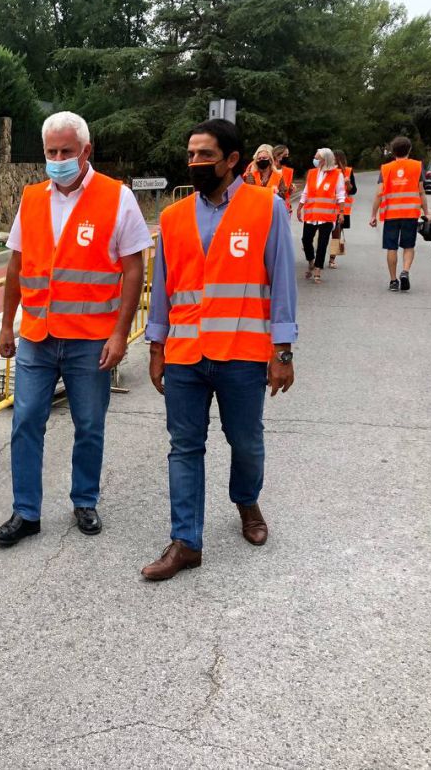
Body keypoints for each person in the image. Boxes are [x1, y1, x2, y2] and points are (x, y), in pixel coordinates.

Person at [142, 118, 297, 581]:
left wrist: (282, 352)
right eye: (190, 155)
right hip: (186, 354)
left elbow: (283, 283)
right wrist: (156, 346)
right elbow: (164, 288)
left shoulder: (267, 209)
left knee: (245, 442)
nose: (195, 163)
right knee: (184, 446)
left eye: (205, 155)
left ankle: (246, 501)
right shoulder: (172, 217)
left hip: (243, 354)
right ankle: (185, 542)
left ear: (232, 160)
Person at [0, 111, 151, 546]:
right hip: (38, 337)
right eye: (51, 152)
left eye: (66, 151)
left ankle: (85, 499)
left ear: (86, 151)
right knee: (25, 421)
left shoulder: (116, 197)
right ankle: (26, 512)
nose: (58, 159)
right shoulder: (33, 198)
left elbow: (133, 267)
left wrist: (120, 334)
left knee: (89, 424)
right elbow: (17, 266)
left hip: (90, 339)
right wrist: (8, 324)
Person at [369, 135, 429, 292]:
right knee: (409, 246)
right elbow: (421, 192)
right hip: (410, 213)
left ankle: (393, 280)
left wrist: (373, 215)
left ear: (393, 151)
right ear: (409, 149)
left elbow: (379, 194)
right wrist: (427, 213)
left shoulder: (386, 169)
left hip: (391, 214)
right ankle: (405, 271)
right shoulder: (417, 166)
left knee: (391, 247)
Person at [297, 148, 345, 284]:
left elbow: (341, 194)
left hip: (327, 216)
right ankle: (311, 260)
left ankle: (317, 269)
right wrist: (299, 207)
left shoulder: (337, 174)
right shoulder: (312, 173)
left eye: (317, 158)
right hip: (311, 214)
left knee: (323, 243)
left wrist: (341, 212)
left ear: (325, 160)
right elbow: (306, 192)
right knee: (306, 240)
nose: (315, 160)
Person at [328, 149, 357, 269]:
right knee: (322, 234)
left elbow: (353, 190)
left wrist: (348, 184)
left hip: (341, 209)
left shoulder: (348, 171)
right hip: (326, 208)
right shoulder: (327, 171)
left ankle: (332, 259)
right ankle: (317, 257)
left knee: (336, 235)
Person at [272, 145, 295, 215]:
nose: (287, 157)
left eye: (288, 154)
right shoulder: (268, 169)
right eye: (285, 155)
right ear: (277, 156)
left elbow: (287, 192)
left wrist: (291, 189)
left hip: (284, 207)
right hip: (270, 205)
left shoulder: (289, 171)